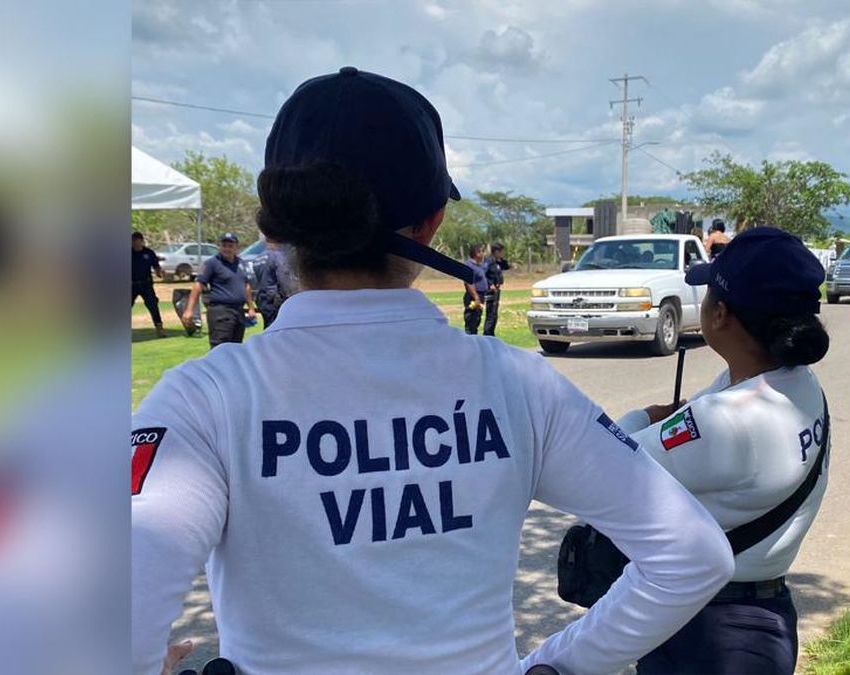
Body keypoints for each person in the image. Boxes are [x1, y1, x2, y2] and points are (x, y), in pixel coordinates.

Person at [131, 66, 733, 675]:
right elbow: (692, 554)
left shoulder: (205, 399)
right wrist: (552, 666)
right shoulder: (517, 384)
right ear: (431, 222)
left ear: (273, 227)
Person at [617, 227, 832, 675]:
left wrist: (643, 415)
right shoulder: (798, 385)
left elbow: (609, 465)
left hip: (709, 632)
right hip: (765, 616)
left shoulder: (726, 419)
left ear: (719, 315)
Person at [181, 233, 256, 348]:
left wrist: (251, 308)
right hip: (220, 312)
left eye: (230, 246)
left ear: (236, 247)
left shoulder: (241, 264)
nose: (227, 249)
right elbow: (198, 285)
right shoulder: (210, 264)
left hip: (238, 311)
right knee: (220, 347)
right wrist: (189, 310)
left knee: (236, 347)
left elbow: (246, 285)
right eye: (224, 245)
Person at [253, 240, 300, 329]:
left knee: (268, 327)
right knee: (279, 328)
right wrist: (292, 296)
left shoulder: (258, 258)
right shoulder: (277, 256)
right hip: (275, 300)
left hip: (263, 299)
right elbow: (284, 279)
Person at [131, 232, 167, 338]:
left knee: (153, 305)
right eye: (133, 241)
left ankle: (159, 328)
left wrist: (160, 273)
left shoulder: (149, 253)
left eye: (136, 241)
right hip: (131, 284)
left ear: (141, 241)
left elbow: (156, 266)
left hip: (146, 284)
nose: (134, 243)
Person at [482, 241, 512, 336]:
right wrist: (490, 284)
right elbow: (482, 274)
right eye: (501, 252)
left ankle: (491, 333)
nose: (502, 254)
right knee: (491, 314)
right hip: (490, 291)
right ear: (496, 252)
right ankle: (487, 334)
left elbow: (506, 266)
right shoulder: (489, 261)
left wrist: (501, 260)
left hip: (496, 290)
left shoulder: (497, 262)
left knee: (494, 314)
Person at [462, 243, 488, 335]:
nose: (483, 254)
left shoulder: (478, 265)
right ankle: (469, 340)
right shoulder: (469, 265)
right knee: (471, 321)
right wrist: (476, 297)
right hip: (473, 297)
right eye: (482, 252)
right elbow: (468, 283)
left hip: (480, 295)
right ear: (477, 253)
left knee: (476, 319)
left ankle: (474, 337)